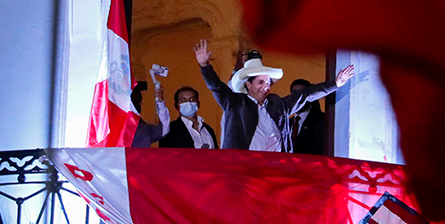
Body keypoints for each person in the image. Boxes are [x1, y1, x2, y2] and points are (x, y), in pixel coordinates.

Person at [193, 40, 354, 152]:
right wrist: (204, 66)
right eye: (260, 82)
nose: (266, 86)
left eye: (268, 82)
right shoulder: (235, 103)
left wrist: (335, 84)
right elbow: (216, 86)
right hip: (242, 169)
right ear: (248, 84)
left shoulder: (277, 104)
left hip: (275, 170)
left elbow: (306, 95)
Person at [130, 76, 172, 148]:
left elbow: (163, 129)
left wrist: (160, 103)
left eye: (135, 102)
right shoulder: (108, 128)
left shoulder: (143, 129)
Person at [288, 79, 327, 155]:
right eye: (294, 93)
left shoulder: (321, 120)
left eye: (302, 93)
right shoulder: (288, 122)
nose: (298, 97)